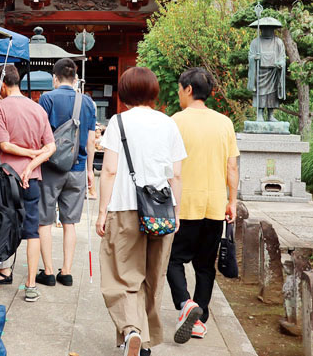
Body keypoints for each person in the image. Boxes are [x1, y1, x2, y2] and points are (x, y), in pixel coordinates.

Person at [96, 66, 186, 356]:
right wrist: (177, 211)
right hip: (161, 211)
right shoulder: (168, 124)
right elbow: (176, 175)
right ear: (153, 91)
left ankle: (132, 330)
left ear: (124, 92)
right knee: (153, 276)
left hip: (124, 209)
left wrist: (101, 212)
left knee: (121, 276)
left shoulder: (118, 123)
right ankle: (143, 342)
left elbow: (109, 170)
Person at [168, 68, 240, 343]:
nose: (178, 93)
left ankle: (186, 305)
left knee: (173, 260)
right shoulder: (224, 123)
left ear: (188, 89)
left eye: (179, 88)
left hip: (184, 204)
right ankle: (200, 316)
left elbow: (170, 167)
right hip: (214, 204)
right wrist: (232, 201)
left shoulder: (175, 121)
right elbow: (231, 166)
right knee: (205, 265)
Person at [0, 65, 55, 302]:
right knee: (32, 231)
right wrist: (32, 160)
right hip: (32, 179)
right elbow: (51, 147)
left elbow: (3, 145)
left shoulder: (0, 108)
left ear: (2, 85)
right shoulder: (37, 108)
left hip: (6, 179)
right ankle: (31, 285)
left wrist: (25, 158)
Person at [36, 58, 96, 287]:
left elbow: (40, 134)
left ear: (55, 77)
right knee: (70, 222)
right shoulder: (88, 102)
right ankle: (67, 271)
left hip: (51, 168)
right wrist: (90, 170)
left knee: (45, 220)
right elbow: (91, 140)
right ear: (75, 78)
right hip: (78, 167)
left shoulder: (47, 98)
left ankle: (49, 271)